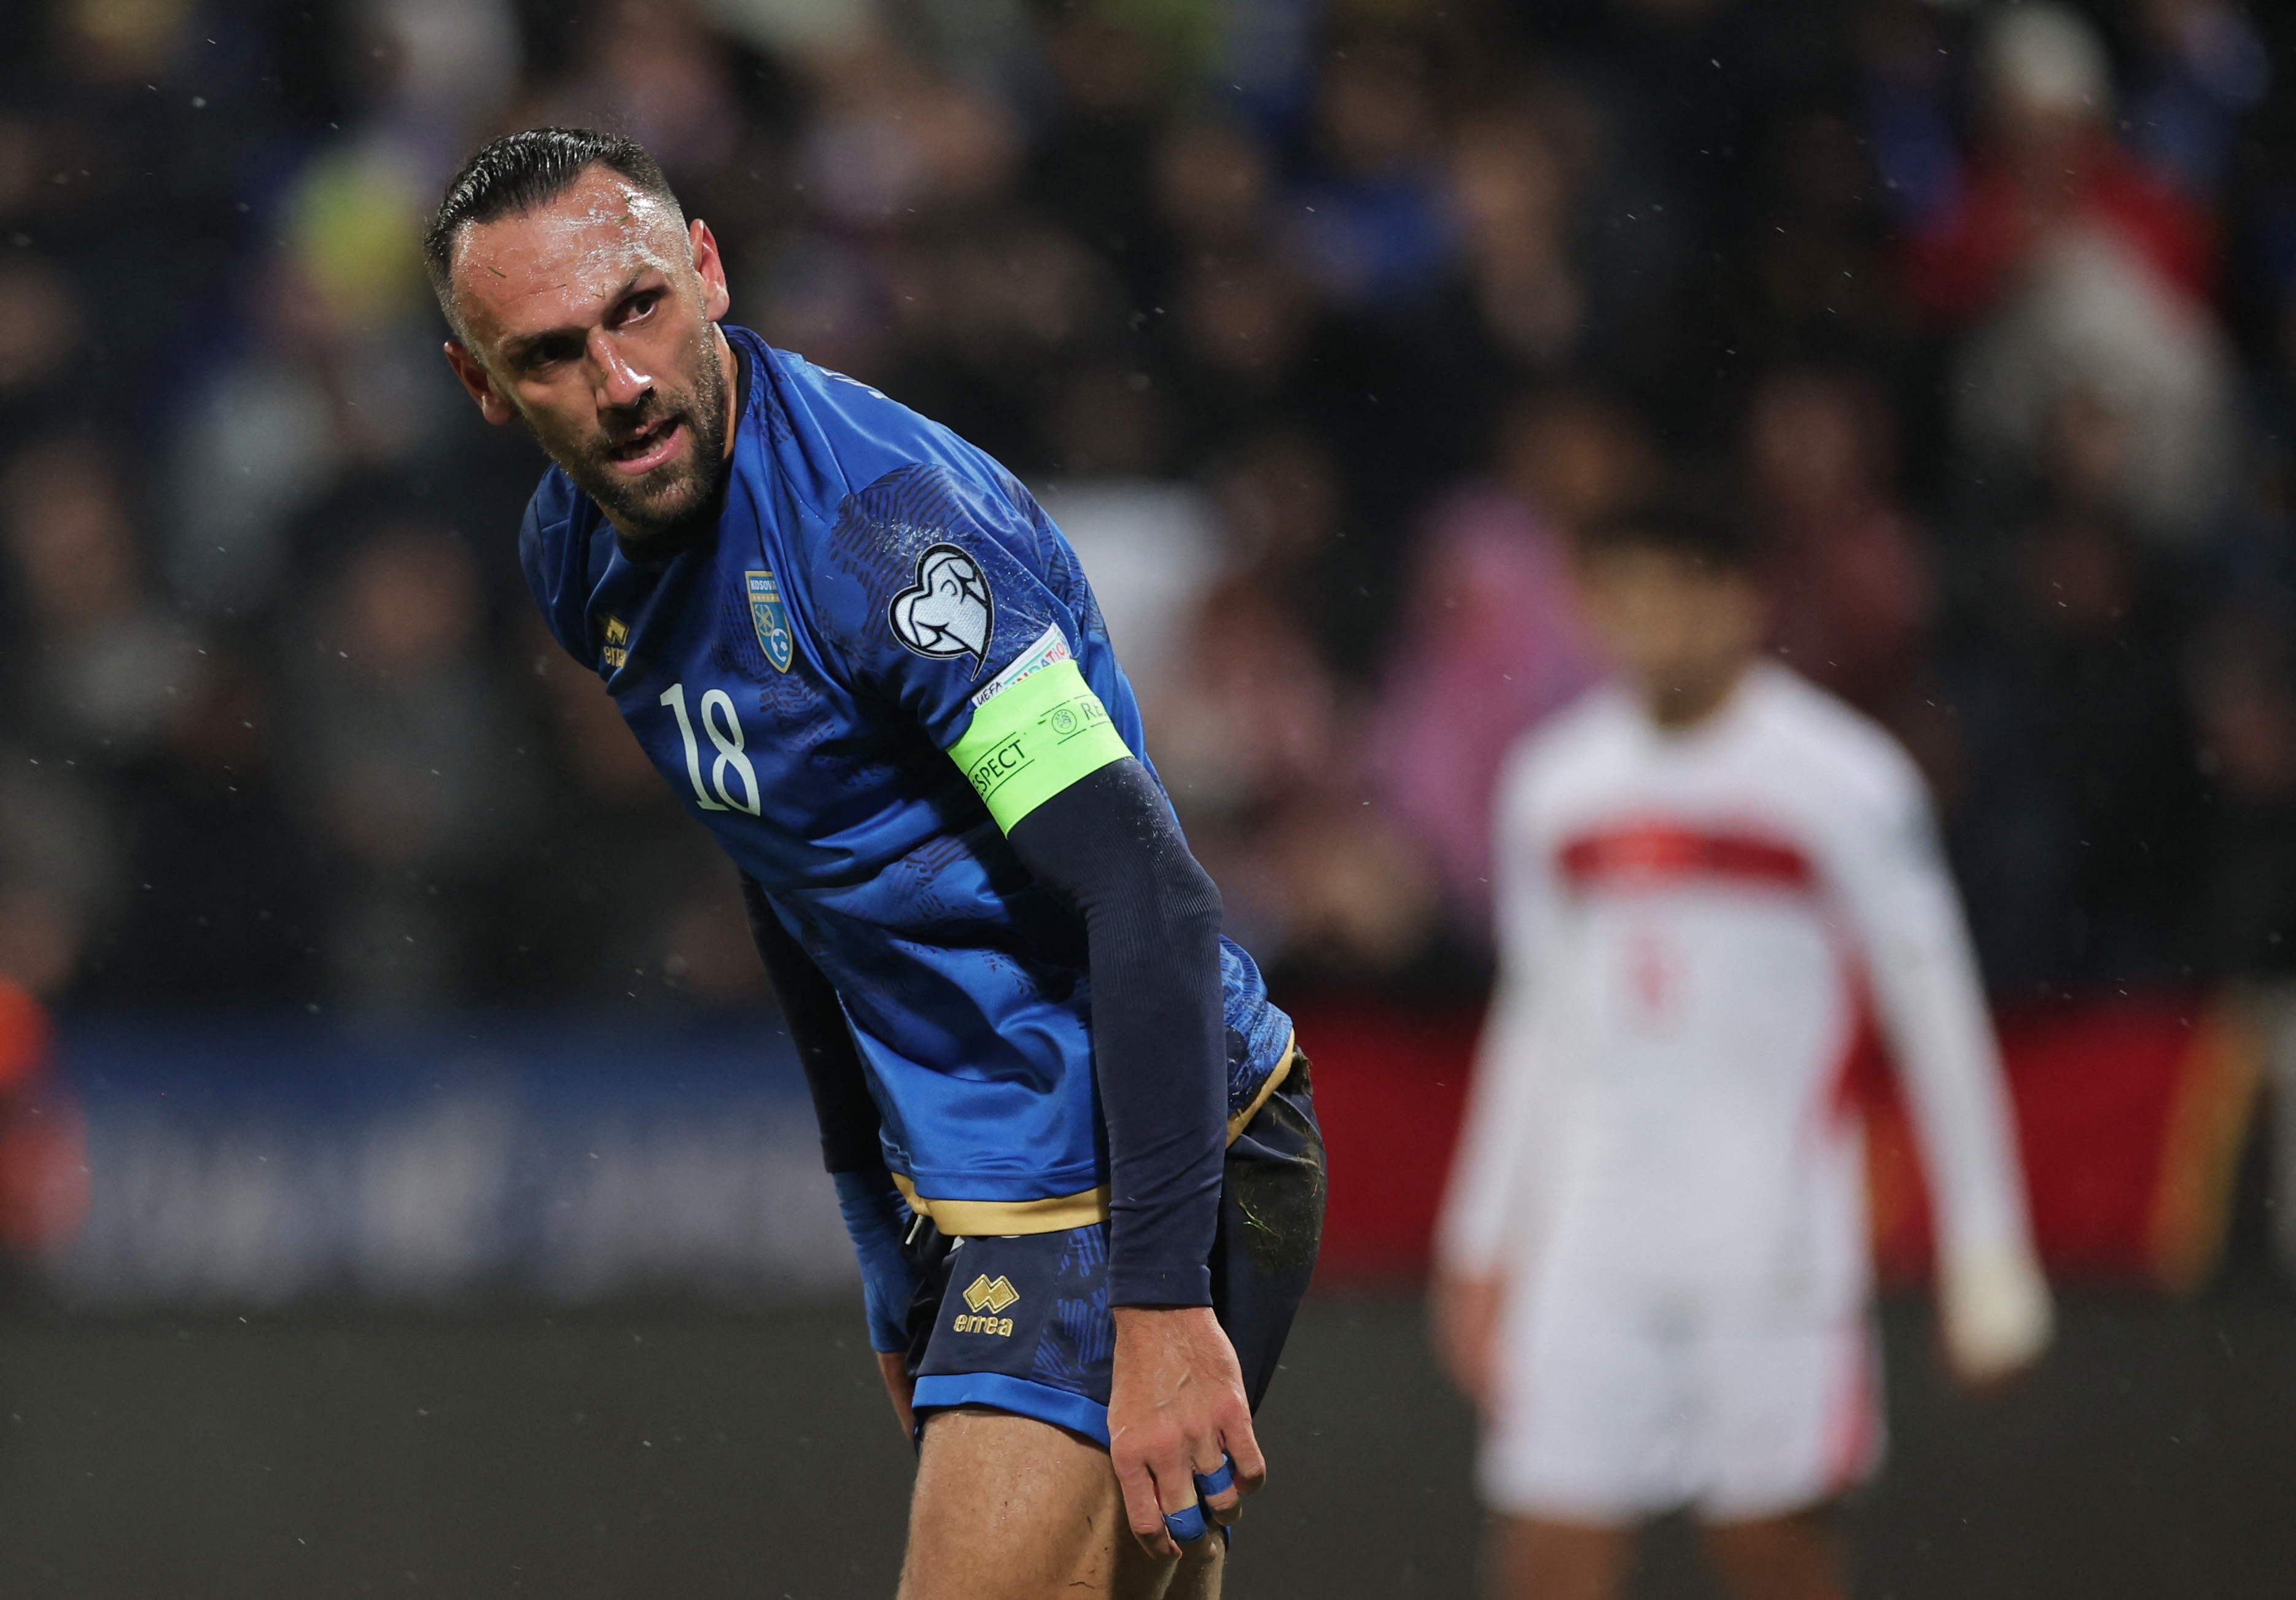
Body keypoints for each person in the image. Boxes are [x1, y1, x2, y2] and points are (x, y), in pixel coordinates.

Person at [418, 128, 1321, 1598]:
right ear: (483, 386)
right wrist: (879, 1229)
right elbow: (791, 881)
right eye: (550, 354)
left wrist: (1161, 1301)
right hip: (976, 1190)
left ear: (706, 268)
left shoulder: (885, 535)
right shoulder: (574, 556)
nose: (621, 382)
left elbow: (1144, 893)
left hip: (1130, 1156)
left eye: (639, 306)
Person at [1430, 504, 2052, 1600]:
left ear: (1744, 596)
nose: (1648, 619)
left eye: (1677, 586)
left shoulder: (1848, 782)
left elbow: (1938, 1017)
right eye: (1622, 592)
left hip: (1772, 1245)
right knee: (1544, 1558)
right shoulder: (1553, 784)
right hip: (1591, 1240)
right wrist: (1481, 1232)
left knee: (1771, 1559)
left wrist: (1987, 1246)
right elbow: (1534, 1023)